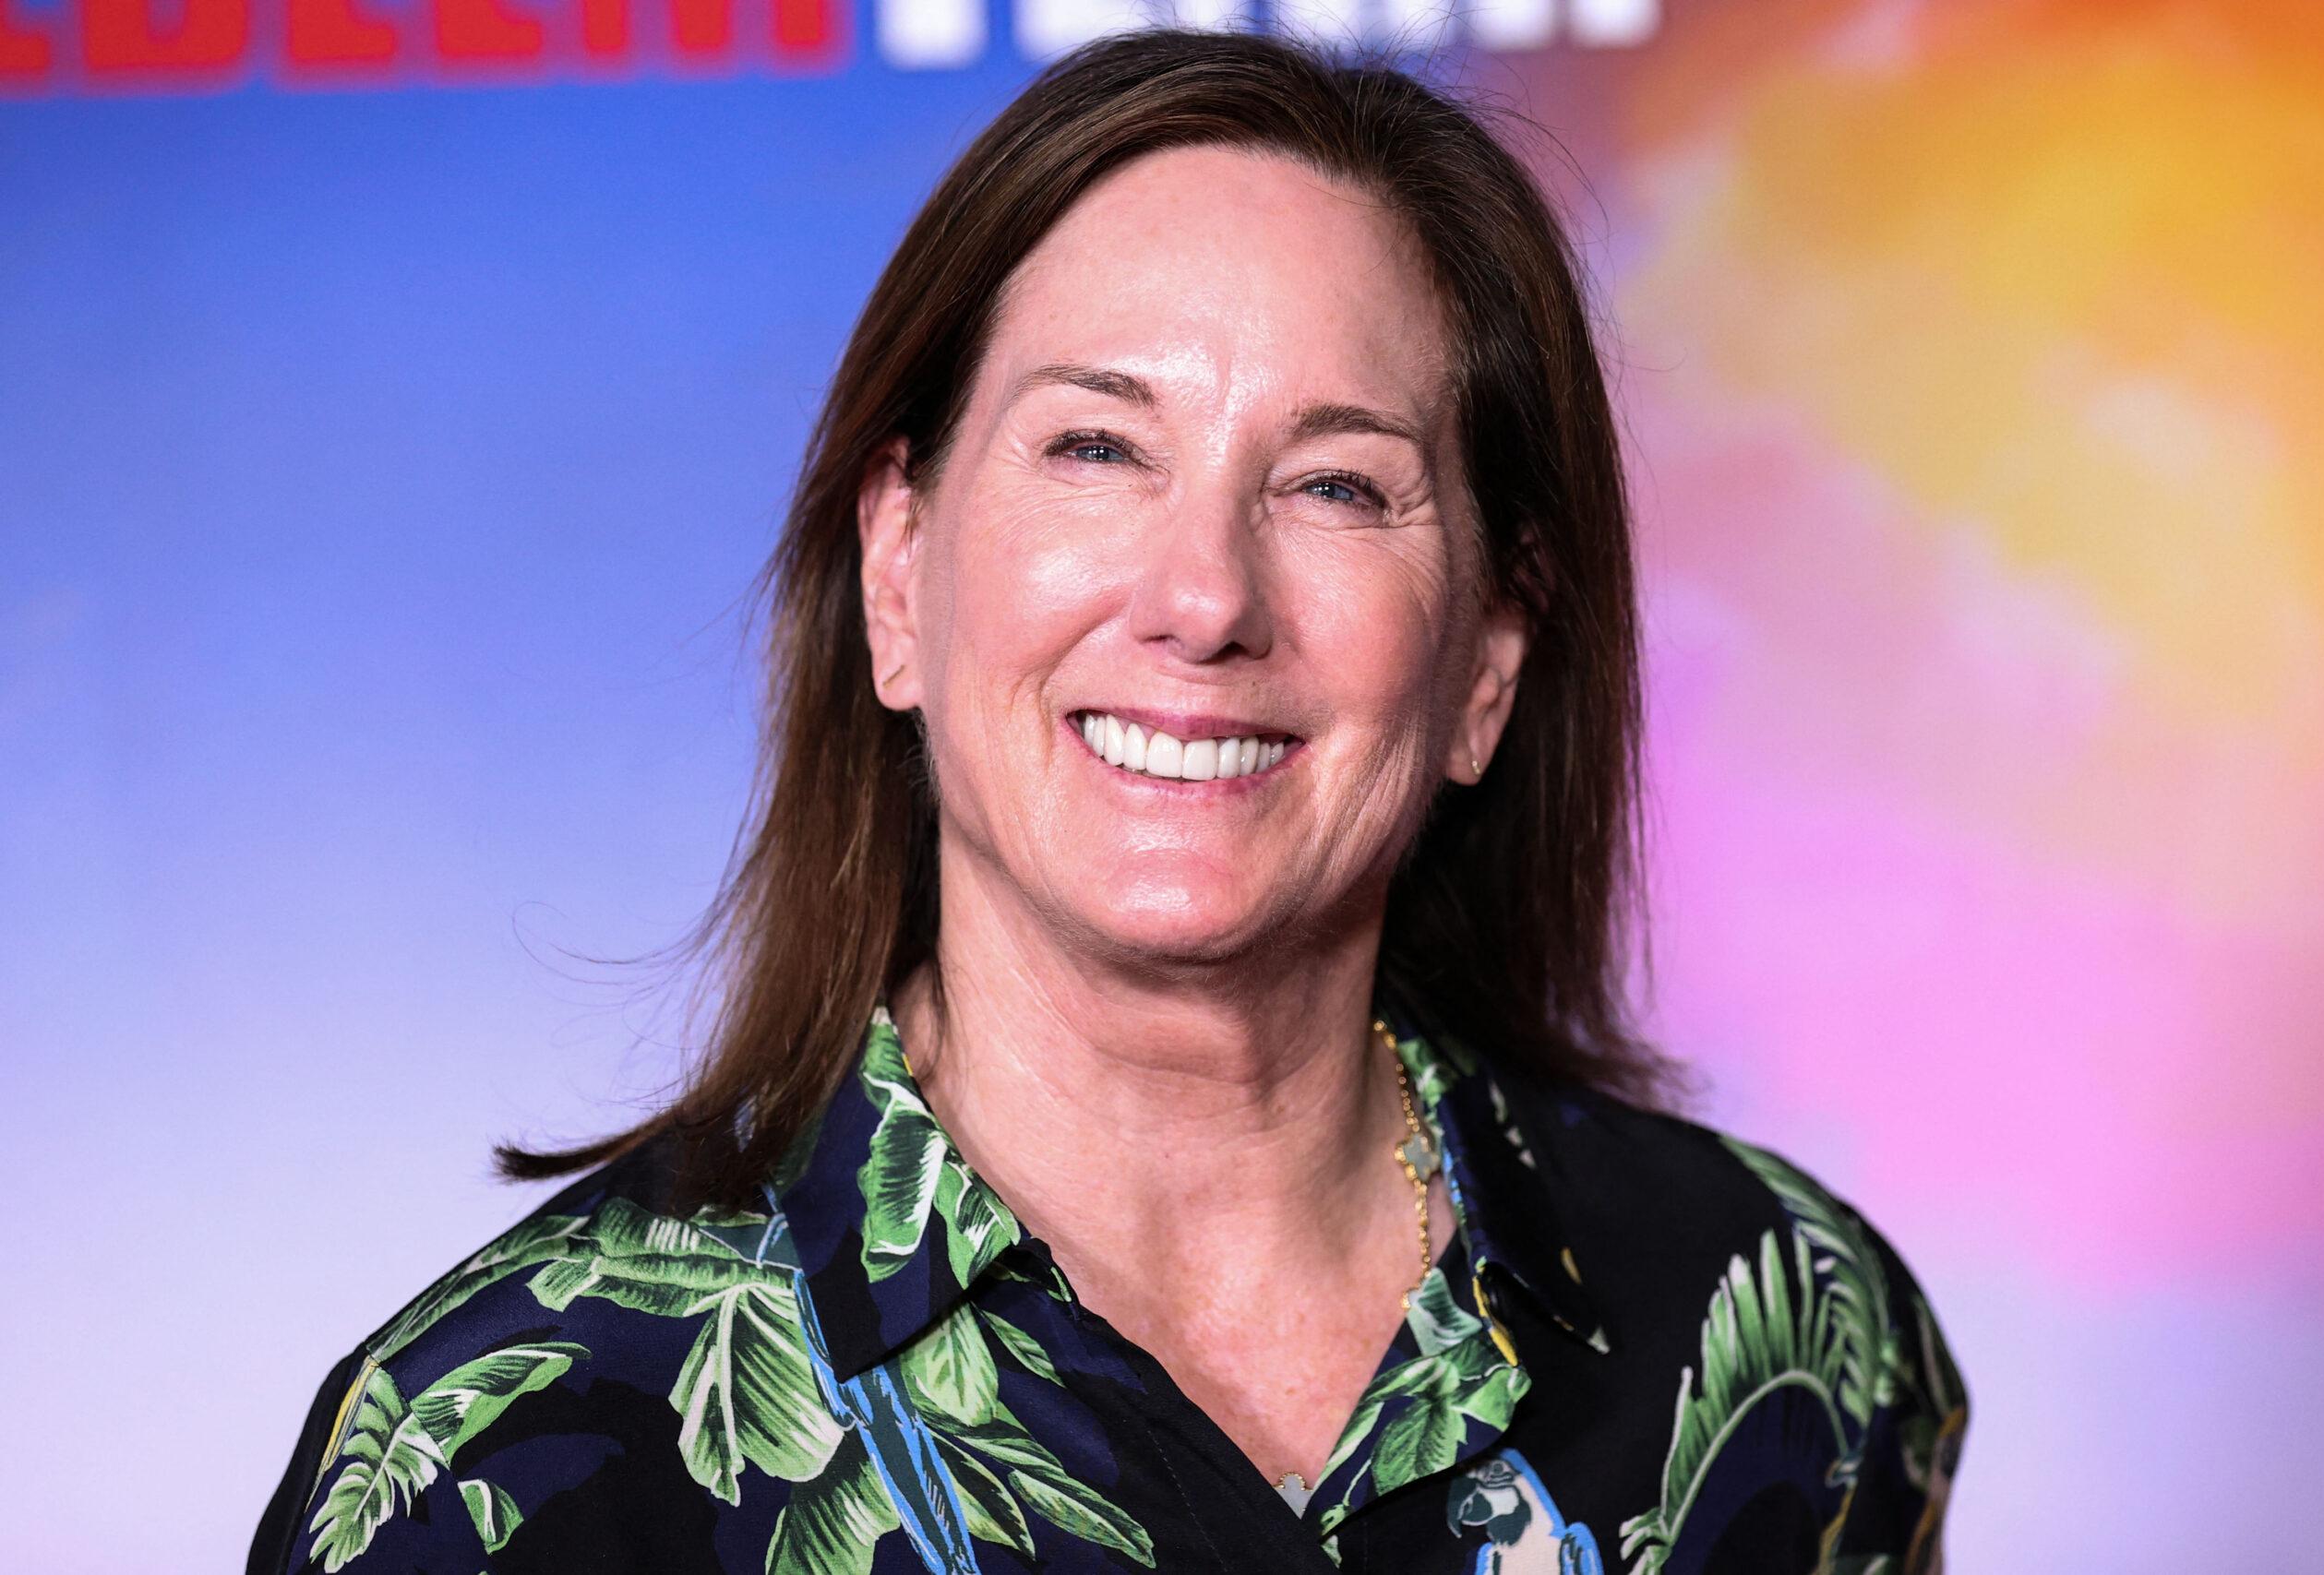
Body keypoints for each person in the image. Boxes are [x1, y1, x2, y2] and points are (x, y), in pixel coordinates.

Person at [248, 27, 1967, 1575]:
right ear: (901, 573)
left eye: (1338, 483)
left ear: (1488, 665)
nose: (1203, 596)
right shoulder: (504, 1459)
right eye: (1095, 449)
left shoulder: (1794, 1338)